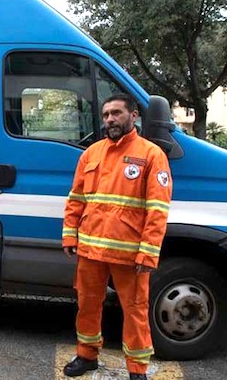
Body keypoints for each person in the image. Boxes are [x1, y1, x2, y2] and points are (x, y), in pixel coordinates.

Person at [62, 94, 172, 380]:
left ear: (133, 116)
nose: (110, 119)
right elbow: (76, 198)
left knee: (135, 311)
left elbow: (157, 209)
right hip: (90, 250)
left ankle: (137, 370)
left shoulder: (151, 154)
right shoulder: (91, 153)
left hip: (129, 254)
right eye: (107, 114)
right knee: (86, 305)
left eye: (117, 113)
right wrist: (70, 236)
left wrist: (148, 254)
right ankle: (86, 356)